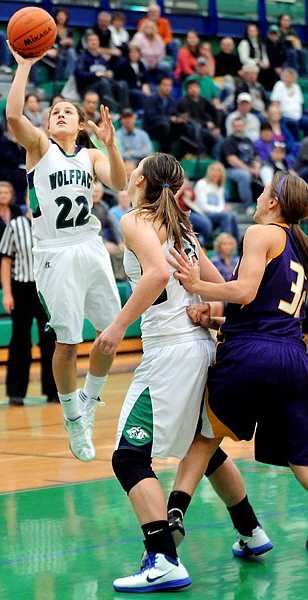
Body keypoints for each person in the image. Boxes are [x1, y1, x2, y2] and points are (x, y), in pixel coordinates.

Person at [91, 152, 252, 592]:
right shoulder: (183, 229)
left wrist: (118, 324)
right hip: (201, 346)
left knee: (128, 458)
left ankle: (163, 558)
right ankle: (252, 531)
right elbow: (224, 288)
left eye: (134, 166)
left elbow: (158, 273)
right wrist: (208, 309)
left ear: (140, 179)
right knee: (204, 449)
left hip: (169, 353)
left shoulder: (134, 219)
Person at [167, 170, 308, 554]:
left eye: (263, 192)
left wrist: (196, 285)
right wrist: (215, 318)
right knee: (302, 458)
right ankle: (247, 530)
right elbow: (271, 314)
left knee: (207, 435)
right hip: (294, 358)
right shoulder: (301, 244)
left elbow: (245, 292)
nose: (258, 198)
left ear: (274, 202)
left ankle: (175, 511)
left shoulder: (261, 233)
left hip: (251, 356)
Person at [6, 43, 126, 462]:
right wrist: (24, 66)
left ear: (79, 125)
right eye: (54, 110)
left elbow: (120, 182)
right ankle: (73, 415)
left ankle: (90, 403)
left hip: (90, 246)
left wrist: (110, 144)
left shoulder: (91, 154)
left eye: (68, 111)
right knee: (68, 342)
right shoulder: (39, 147)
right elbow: (12, 116)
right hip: (55, 251)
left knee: (111, 334)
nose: (59, 113)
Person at [0, 202, 58, 406]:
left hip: (47, 287)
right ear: (26, 200)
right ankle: (16, 392)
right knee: (20, 341)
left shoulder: (52, 224)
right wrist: (7, 293)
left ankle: (54, 391)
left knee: (50, 340)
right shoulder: (15, 225)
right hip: (21, 288)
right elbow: (6, 261)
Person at [192, 162, 241, 244]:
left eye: (218, 171)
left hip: (216, 214)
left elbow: (221, 203)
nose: (215, 173)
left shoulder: (220, 187)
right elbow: (203, 206)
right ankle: (224, 243)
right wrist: (222, 209)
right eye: (213, 170)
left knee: (232, 214)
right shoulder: (201, 184)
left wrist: (223, 209)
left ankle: (238, 244)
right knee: (225, 215)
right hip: (202, 214)